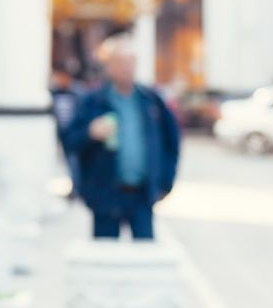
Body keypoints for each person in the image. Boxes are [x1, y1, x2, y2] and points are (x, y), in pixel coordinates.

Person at [62, 34, 180, 239]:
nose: (127, 67)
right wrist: (90, 132)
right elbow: (69, 141)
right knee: (105, 257)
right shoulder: (92, 101)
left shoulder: (151, 100)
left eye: (131, 62)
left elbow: (173, 142)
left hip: (142, 195)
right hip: (105, 195)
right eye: (120, 62)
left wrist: (165, 183)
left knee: (145, 256)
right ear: (108, 66)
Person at [49, 64, 81, 199]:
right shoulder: (54, 93)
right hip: (62, 134)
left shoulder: (78, 93)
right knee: (68, 161)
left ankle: (77, 188)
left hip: (74, 134)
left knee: (75, 162)